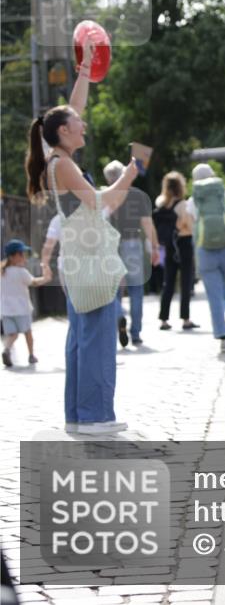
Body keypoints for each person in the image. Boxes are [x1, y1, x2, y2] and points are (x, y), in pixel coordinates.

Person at [25, 36, 140, 434]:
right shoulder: (63, 165)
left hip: (76, 257)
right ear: (62, 133)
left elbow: (73, 107)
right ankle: (94, 417)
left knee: (82, 336)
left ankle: (79, 415)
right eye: (78, 124)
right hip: (89, 257)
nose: (84, 123)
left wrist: (85, 69)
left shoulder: (56, 156)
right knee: (97, 337)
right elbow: (99, 201)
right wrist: (131, 171)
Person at [103, 160, 159, 347]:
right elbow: (147, 224)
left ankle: (119, 316)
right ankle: (136, 333)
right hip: (132, 243)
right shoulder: (137, 196)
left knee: (113, 290)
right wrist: (155, 248)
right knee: (136, 289)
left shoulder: (105, 196)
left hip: (110, 246)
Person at [188, 163, 225, 354]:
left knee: (214, 296)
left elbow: (191, 227)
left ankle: (222, 339)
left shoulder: (192, 200)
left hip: (205, 250)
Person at [154, 171, 198, 331]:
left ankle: (164, 319)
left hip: (169, 245)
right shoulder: (183, 205)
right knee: (186, 282)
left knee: (168, 283)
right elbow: (188, 226)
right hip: (183, 244)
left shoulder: (161, 204)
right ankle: (185, 319)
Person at [2, 240, 51, 367]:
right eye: (21, 254)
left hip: (5, 310)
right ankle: (31, 355)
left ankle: (6, 349)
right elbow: (33, 282)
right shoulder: (21, 272)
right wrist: (45, 278)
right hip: (22, 309)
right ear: (12, 257)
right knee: (27, 332)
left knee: (12, 334)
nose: (24, 257)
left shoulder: (2, 272)